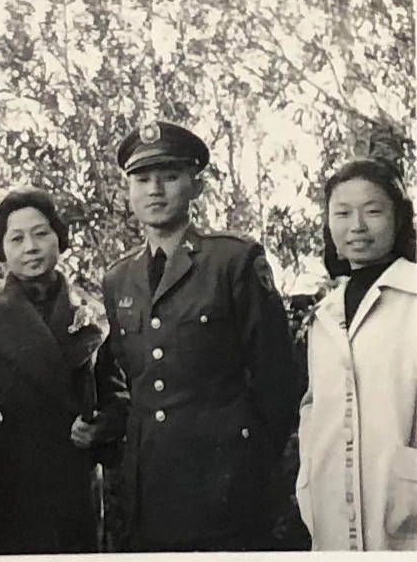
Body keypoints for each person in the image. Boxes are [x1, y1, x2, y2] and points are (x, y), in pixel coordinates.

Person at [95, 120, 297, 552]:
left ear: (196, 186)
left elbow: (277, 379)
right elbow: (127, 380)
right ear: (128, 192)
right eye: (142, 180)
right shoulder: (118, 279)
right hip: (150, 489)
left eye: (170, 177)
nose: (155, 190)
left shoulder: (233, 261)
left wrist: (251, 461)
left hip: (225, 484)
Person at [0, 187, 128, 555]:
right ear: (2, 250)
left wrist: (102, 425)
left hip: (71, 496)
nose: (30, 247)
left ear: (59, 239)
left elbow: (117, 396)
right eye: (16, 238)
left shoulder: (93, 315)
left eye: (41, 233)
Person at [296, 157, 417, 551]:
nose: (357, 226)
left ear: (399, 219)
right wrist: (308, 481)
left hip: (403, 511)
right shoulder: (325, 314)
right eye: (343, 213)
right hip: (333, 512)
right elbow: (313, 408)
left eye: (373, 211)